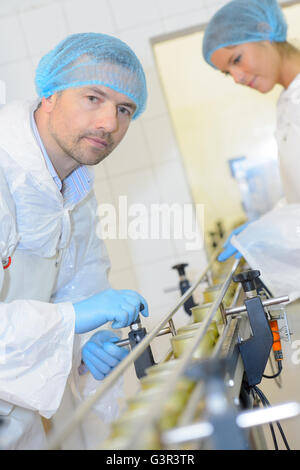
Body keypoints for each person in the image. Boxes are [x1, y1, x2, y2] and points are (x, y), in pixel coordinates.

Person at [0, 32, 149, 450]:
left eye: (125, 109)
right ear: (50, 93)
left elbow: (79, 285)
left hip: (18, 423)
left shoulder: (74, 188)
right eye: (93, 98)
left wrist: (85, 341)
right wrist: (71, 320)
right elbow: (71, 309)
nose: (110, 123)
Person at [202, 0, 300, 265]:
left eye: (237, 59)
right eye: (227, 73)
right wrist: (267, 225)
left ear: (266, 31)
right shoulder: (288, 103)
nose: (237, 77)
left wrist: (273, 231)